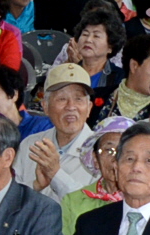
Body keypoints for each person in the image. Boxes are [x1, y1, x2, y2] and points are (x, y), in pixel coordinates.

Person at [18, 63, 99, 197]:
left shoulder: (100, 152)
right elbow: (11, 199)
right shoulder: (30, 145)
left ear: (89, 108)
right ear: (45, 106)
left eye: (78, 99)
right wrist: (35, 186)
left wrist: (56, 174)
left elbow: (94, 205)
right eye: (62, 99)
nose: (71, 106)